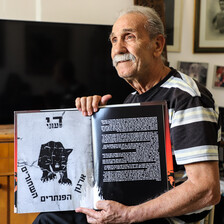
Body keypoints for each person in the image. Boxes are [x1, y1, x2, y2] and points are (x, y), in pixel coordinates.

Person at [33, 5, 221, 224]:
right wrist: (93, 119)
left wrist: (128, 215)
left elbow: (206, 190)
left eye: (128, 37)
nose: (118, 48)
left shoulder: (187, 98)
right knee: (50, 217)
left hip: (161, 218)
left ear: (157, 45)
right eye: (113, 40)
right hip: (130, 205)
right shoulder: (132, 99)